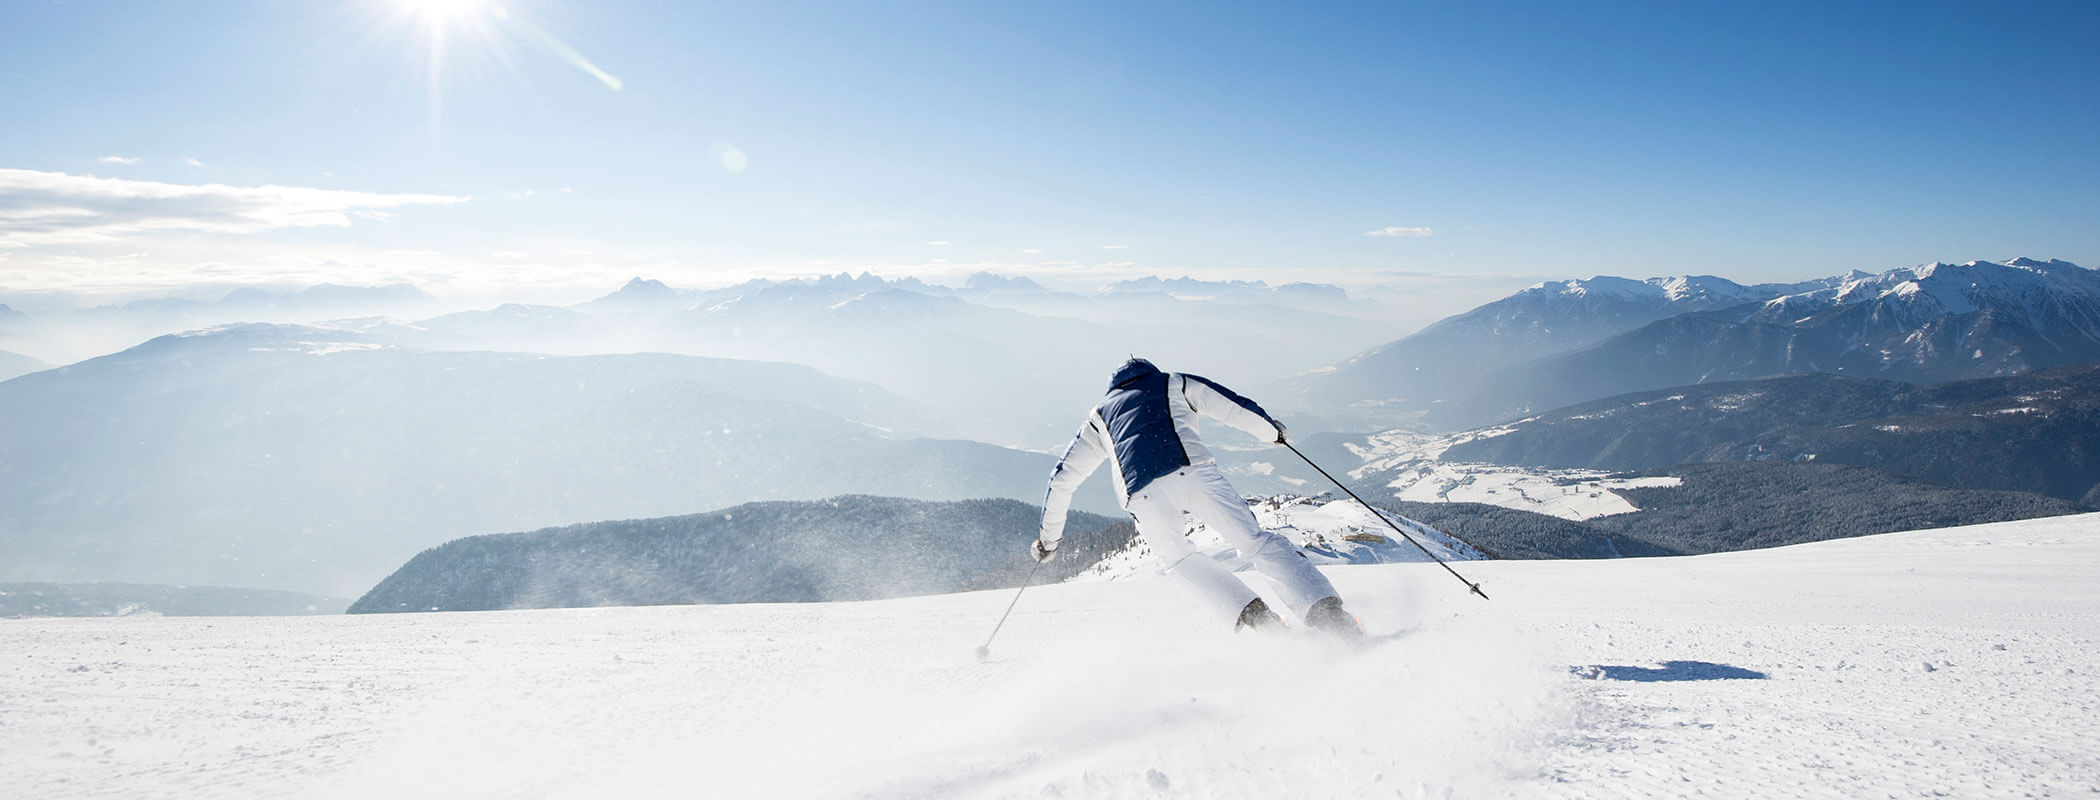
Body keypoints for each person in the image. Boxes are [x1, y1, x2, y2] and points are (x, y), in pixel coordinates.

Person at [1031, 358, 1359, 635]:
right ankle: (1328, 615)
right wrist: (1271, 432)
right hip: (1193, 472)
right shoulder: (1172, 382)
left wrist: (1049, 541)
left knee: (1179, 560)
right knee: (1255, 542)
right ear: (1148, 372)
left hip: (1142, 496)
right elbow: (1231, 406)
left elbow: (1062, 479)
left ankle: (1260, 621)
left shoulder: (1100, 416)